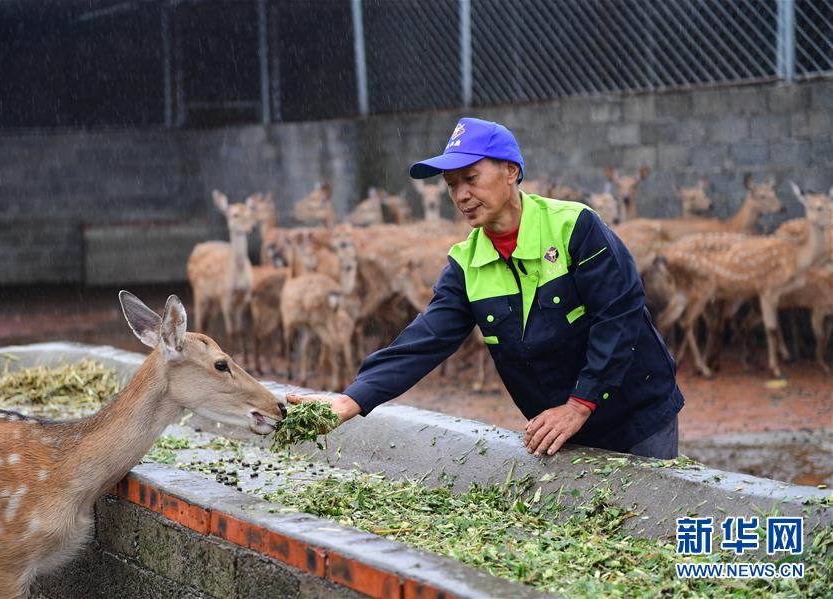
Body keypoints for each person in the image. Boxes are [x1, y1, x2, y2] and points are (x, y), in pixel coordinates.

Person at [288, 117, 684, 459]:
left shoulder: (574, 228)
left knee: (647, 534)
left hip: (636, 417)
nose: (461, 195)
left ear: (511, 171)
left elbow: (619, 315)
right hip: (557, 428)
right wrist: (352, 398)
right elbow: (427, 338)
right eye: (451, 185)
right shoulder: (466, 262)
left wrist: (580, 404)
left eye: (471, 179)